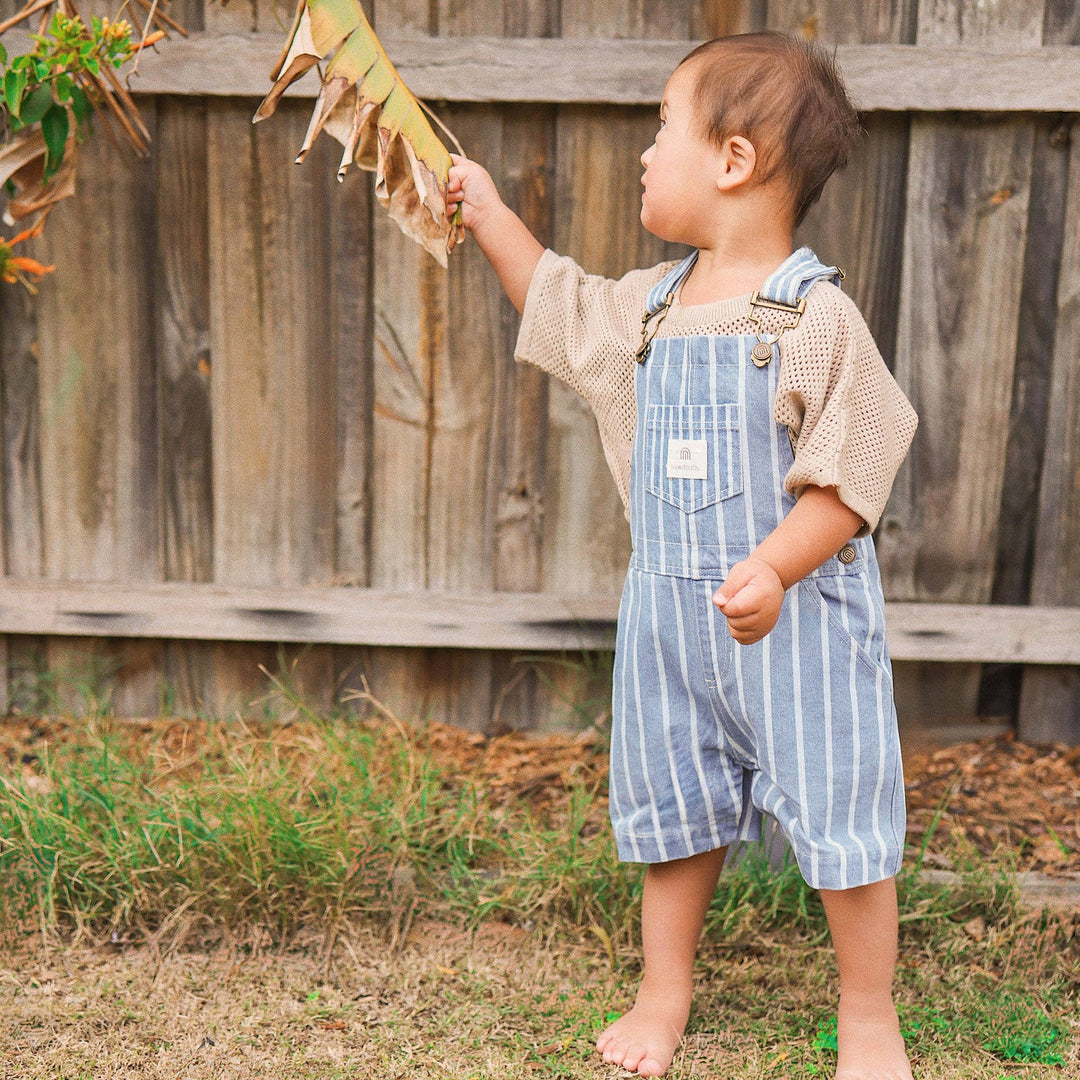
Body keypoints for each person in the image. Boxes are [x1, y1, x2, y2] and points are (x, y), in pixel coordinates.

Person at [446, 30, 918, 1080]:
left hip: (795, 628)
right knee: (675, 815)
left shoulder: (812, 318)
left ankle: (868, 1015)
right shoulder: (651, 316)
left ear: (736, 160)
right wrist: (487, 212)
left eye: (663, 128)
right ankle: (663, 995)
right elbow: (560, 306)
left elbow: (858, 456)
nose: (645, 154)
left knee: (842, 813)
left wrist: (779, 567)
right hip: (671, 626)